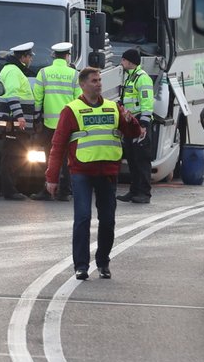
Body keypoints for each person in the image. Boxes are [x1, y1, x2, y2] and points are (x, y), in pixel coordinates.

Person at [44, 66, 144, 280]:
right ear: (82, 85)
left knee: (107, 220)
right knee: (83, 218)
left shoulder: (113, 107)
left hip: (108, 172)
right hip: (81, 172)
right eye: (94, 81)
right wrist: (51, 178)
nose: (99, 83)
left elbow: (134, 133)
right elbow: (58, 145)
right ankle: (81, 266)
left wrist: (130, 120)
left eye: (99, 80)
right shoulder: (71, 110)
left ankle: (103, 262)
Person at [33, 42, 77, 201]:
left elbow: (37, 98)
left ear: (53, 56)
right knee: (67, 158)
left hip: (48, 125)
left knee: (49, 157)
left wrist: (37, 116)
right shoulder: (74, 74)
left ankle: (46, 190)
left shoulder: (43, 73)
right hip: (68, 125)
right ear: (67, 56)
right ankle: (64, 192)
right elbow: (78, 100)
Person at [0, 41, 37, 200]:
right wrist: (20, 116)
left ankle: (11, 188)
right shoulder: (13, 71)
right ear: (23, 57)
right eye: (30, 57)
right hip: (13, 123)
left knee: (13, 155)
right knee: (13, 156)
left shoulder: (11, 69)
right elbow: (12, 95)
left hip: (13, 122)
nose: (31, 60)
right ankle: (9, 190)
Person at [117, 48, 155, 203]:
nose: (121, 62)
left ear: (130, 62)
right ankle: (133, 191)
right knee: (132, 159)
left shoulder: (142, 78)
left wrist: (144, 125)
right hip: (130, 121)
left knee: (142, 159)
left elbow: (147, 103)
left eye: (124, 60)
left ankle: (144, 193)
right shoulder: (130, 77)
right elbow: (128, 98)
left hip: (140, 122)